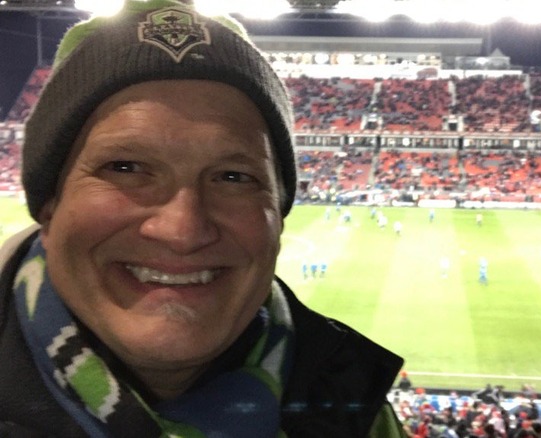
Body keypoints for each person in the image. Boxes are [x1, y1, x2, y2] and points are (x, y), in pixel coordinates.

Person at [0, 2, 404, 437]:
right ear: (49, 204)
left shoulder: (358, 414)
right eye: (125, 167)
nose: (182, 231)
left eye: (234, 177)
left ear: (278, 215)